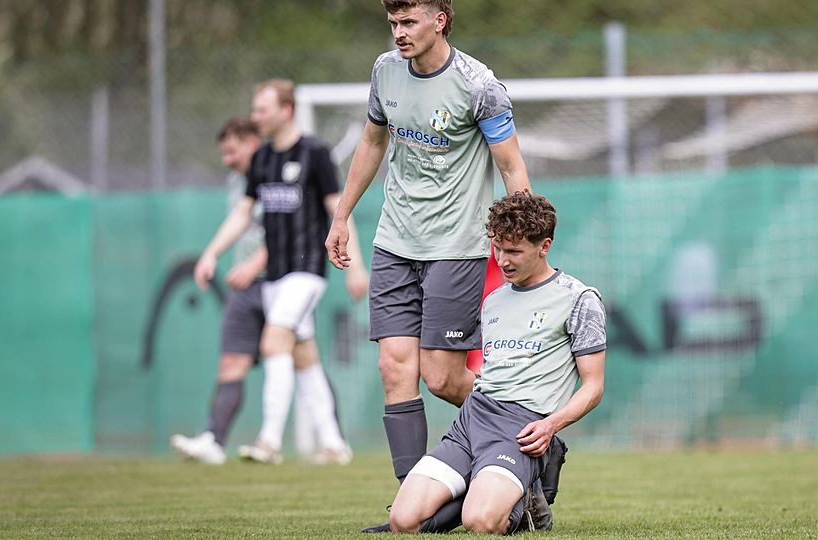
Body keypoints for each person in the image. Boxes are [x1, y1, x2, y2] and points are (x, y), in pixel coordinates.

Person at [322, 1, 561, 529]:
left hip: (457, 247)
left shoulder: (480, 85)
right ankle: (408, 504)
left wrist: (523, 242)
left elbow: (511, 164)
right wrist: (342, 216)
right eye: (393, 24)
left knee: (443, 377)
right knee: (393, 369)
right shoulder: (385, 73)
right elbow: (370, 141)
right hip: (393, 243)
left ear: (440, 20)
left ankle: (532, 443)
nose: (399, 33)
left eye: (409, 22)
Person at [388, 191, 606, 534]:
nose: (502, 260)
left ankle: (524, 489)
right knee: (402, 520)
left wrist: (551, 426)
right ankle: (517, 487)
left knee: (481, 520)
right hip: (472, 419)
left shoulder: (578, 298)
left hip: (521, 429)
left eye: (514, 251)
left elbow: (593, 387)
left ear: (544, 246)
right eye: (497, 248)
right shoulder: (493, 300)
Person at [193, 81, 368, 465]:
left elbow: (339, 213)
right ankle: (335, 444)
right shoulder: (262, 160)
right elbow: (243, 213)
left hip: (305, 273)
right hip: (274, 277)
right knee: (304, 359)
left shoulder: (315, 153)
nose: (256, 117)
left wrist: (356, 267)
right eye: (255, 110)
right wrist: (211, 253)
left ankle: (269, 442)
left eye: (262, 110)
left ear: (286, 110)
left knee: (274, 342)